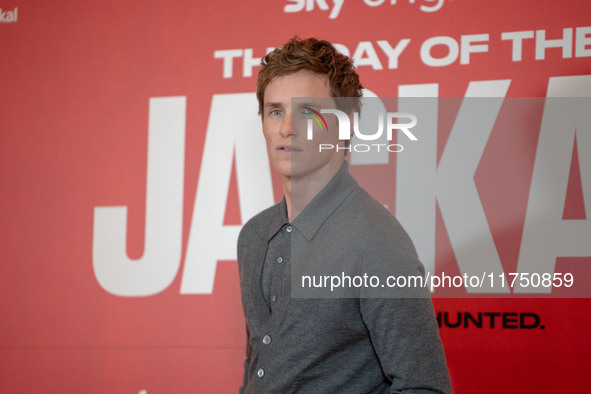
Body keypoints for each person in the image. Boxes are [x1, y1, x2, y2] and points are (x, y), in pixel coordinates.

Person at [237, 36, 451, 393]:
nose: (287, 127)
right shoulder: (253, 236)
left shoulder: (376, 241)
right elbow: (260, 363)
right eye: (276, 111)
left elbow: (423, 386)